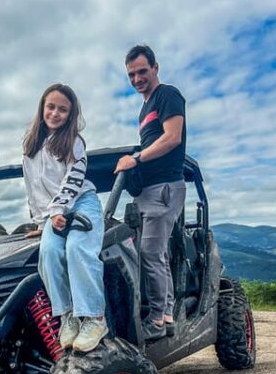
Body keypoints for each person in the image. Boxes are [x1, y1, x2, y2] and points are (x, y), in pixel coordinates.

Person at [22, 84, 107, 353]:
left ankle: (94, 318)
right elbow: (33, 186)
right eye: (51, 107)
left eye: (63, 109)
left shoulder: (74, 142)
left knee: (77, 248)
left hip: (82, 202)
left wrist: (58, 209)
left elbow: (74, 179)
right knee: (47, 252)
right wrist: (41, 221)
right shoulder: (30, 145)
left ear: (70, 115)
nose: (55, 113)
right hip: (52, 211)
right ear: (42, 107)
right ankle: (67, 314)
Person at [114, 44, 187, 340]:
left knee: (150, 253)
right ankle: (165, 314)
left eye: (142, 71)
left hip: (164, 187)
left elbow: (172, 138)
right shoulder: (145, 107)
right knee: (154, 254)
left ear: (156, 68)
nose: (137, 78)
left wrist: (138, 158)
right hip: (148, 190)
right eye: (131, 74)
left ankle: (158, 320)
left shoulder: (167, 95)